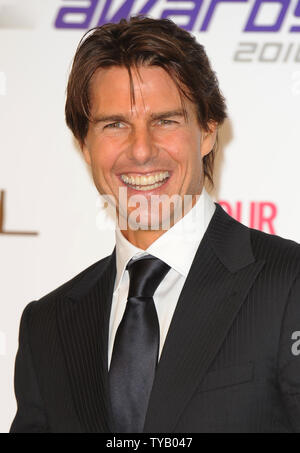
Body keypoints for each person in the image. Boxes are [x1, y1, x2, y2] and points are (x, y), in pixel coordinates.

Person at [10, 16, 300, 434]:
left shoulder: (289, 283)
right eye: (115, 124)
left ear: (207, 131)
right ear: (83, 146)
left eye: (165, 120)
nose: (141, 151)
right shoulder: (47, 326)